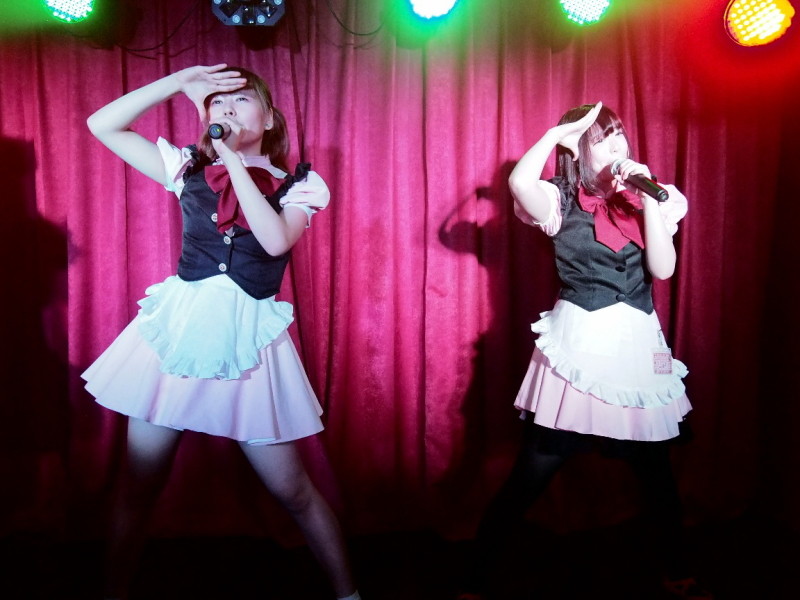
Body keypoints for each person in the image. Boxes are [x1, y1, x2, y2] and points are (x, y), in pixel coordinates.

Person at [82, 64, 361, 600]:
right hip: (178, 337)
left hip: (248, 346)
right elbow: (102, 125)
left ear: (270, 118)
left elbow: (275, 240)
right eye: (216, 102)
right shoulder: (185, 167)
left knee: (293, 491)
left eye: (241, 100)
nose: (227, 108)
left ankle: (349, 595)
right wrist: (175, 83)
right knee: (139, 485)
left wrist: (232, 158)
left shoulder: (300, 185)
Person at [457, 103, 712, 600]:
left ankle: (678, 573)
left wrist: (648, 199)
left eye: (619, 136)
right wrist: (557, 135)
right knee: (532, 472)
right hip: (579, 349)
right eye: (602, 139)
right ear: (578, 151)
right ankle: (475, 578)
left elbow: (662, 269)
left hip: (638, 347)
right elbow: (519, 183)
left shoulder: (654, 197)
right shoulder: (558, 200)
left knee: (656, 473)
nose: (617, 146)